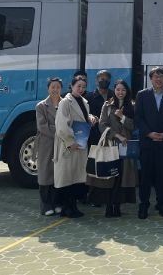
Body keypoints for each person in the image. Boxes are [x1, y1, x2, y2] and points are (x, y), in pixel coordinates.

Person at [135, 67, 163, 219]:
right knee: (145, 176)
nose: (158, 79)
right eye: (155, 76)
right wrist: (149, 133)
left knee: (162, 175)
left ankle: (162, 204)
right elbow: (138, 117)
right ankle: (144, 205)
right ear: (151, 79)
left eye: (161, 76)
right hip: (147, 143)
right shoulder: (142, 95)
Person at [91, 79, 138, 217]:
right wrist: (117, 135)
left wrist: (122, 117)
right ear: (114, 90)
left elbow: (134, 126)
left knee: (122, 176)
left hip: (125, 146)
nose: (120, 92)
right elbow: (102, 125)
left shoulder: (132, 105)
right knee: (109, 176)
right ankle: (108, 206)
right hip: (110, 144)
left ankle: (117, 205)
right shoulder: (107, 105)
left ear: (127, 91)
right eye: (118, 89)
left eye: (123, 90)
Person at [53, 75, 97, 218]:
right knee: (67, 178)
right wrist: (70, 142)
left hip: (80, 144)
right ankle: (67, 208)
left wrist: (90, 118)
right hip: (69, 146)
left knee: (75, 179)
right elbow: (61, 125)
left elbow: (82, 117)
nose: (81, 89)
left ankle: (72, 207)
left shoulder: (84, 102)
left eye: (83, 87)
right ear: (71, 86)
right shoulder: (65, 102)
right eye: (78, 86)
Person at [36, 77, 63, 216]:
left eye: (58, 87)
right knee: (45, 173)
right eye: (53, 87)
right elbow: (42, 127)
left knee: (58, 173)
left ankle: (56, 202)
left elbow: (69, 123)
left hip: (61, 143)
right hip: (46, 143)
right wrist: (60, 131)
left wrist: (62, 130)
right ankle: (45, 205)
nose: (55, 89)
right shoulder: (41, 106)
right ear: (48, 89)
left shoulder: (65, 104)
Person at [86, 69, 114, 206]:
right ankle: (92, 197)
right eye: (101, 79)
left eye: (106, 79)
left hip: (110, 136)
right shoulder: (89, 97)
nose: (104, 81)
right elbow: (84, 114)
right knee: (94, 167)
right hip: (94, 136)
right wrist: (90, 117)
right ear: (96, 81)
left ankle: (107, 196)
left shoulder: (114, 95)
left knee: (108, 165)